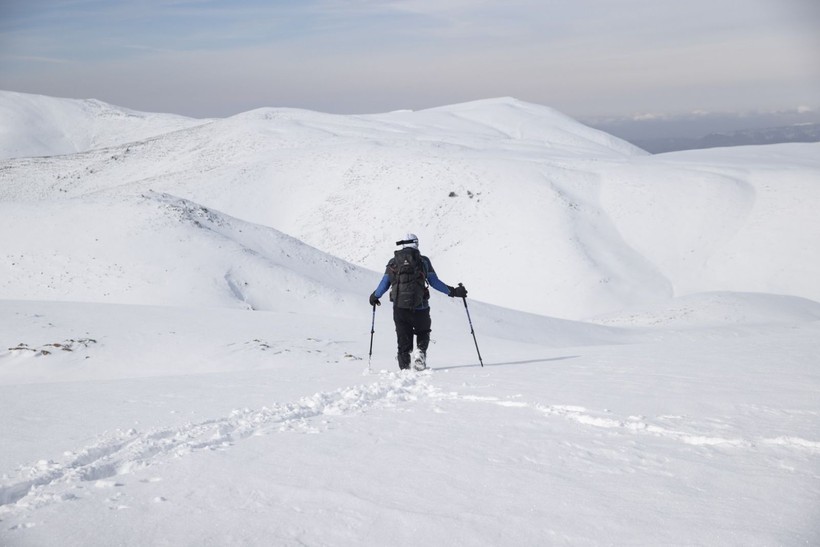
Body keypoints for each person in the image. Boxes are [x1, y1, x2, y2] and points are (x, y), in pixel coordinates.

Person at [369, 233, 467, 371]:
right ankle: (420, 351)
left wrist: (375, 296)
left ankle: (404, 367)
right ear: (416, 244)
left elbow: (385, 283)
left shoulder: (393, 261)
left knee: (403, 337)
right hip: (421, 306)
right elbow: (434, 282)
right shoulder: (423, 261)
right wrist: (453, 292)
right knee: (423, 331)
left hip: (400, 308)